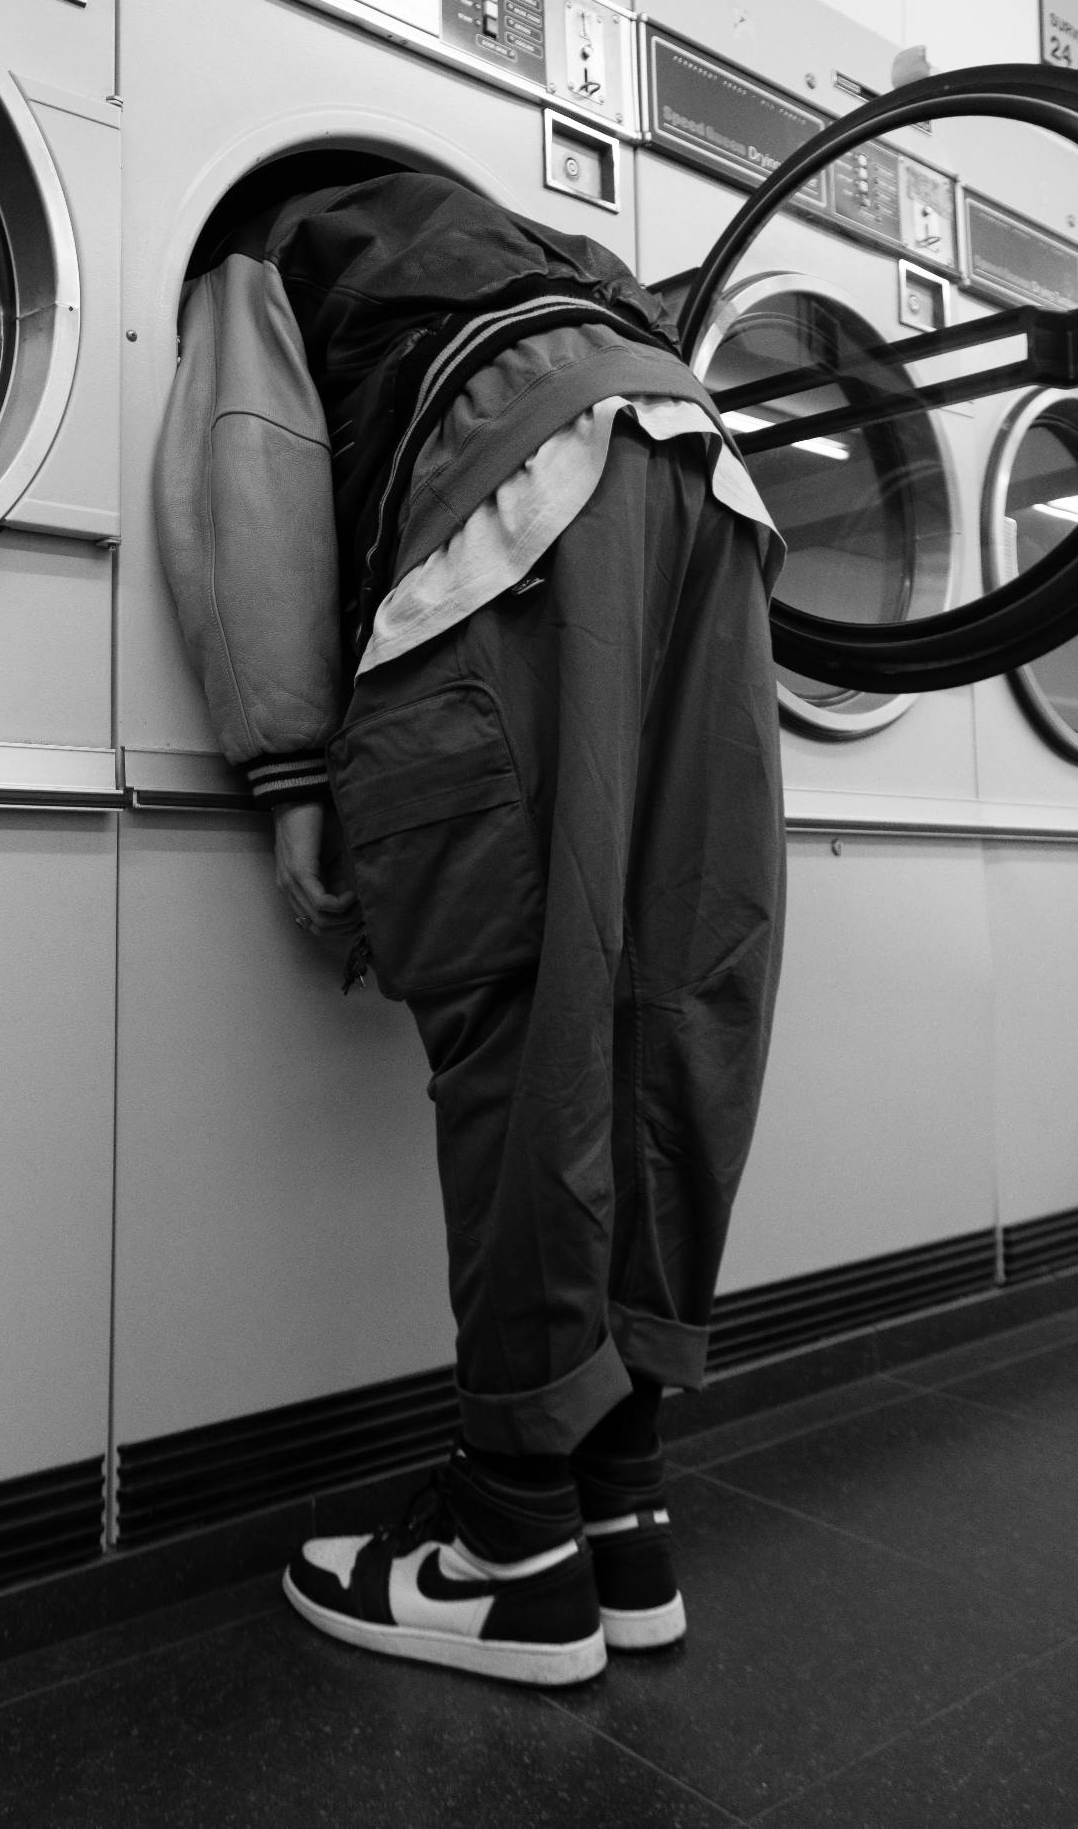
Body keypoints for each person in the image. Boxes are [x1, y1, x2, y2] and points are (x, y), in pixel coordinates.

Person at [156, 170, 786, 1688]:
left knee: (530, 1029)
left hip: (512, 478)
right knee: (665, 1012)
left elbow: (253, 470)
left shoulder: (277, 248)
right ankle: (617, 1511)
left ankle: (507, 1549)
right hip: (704, 476)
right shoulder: (544, 248)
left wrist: (291, 764)